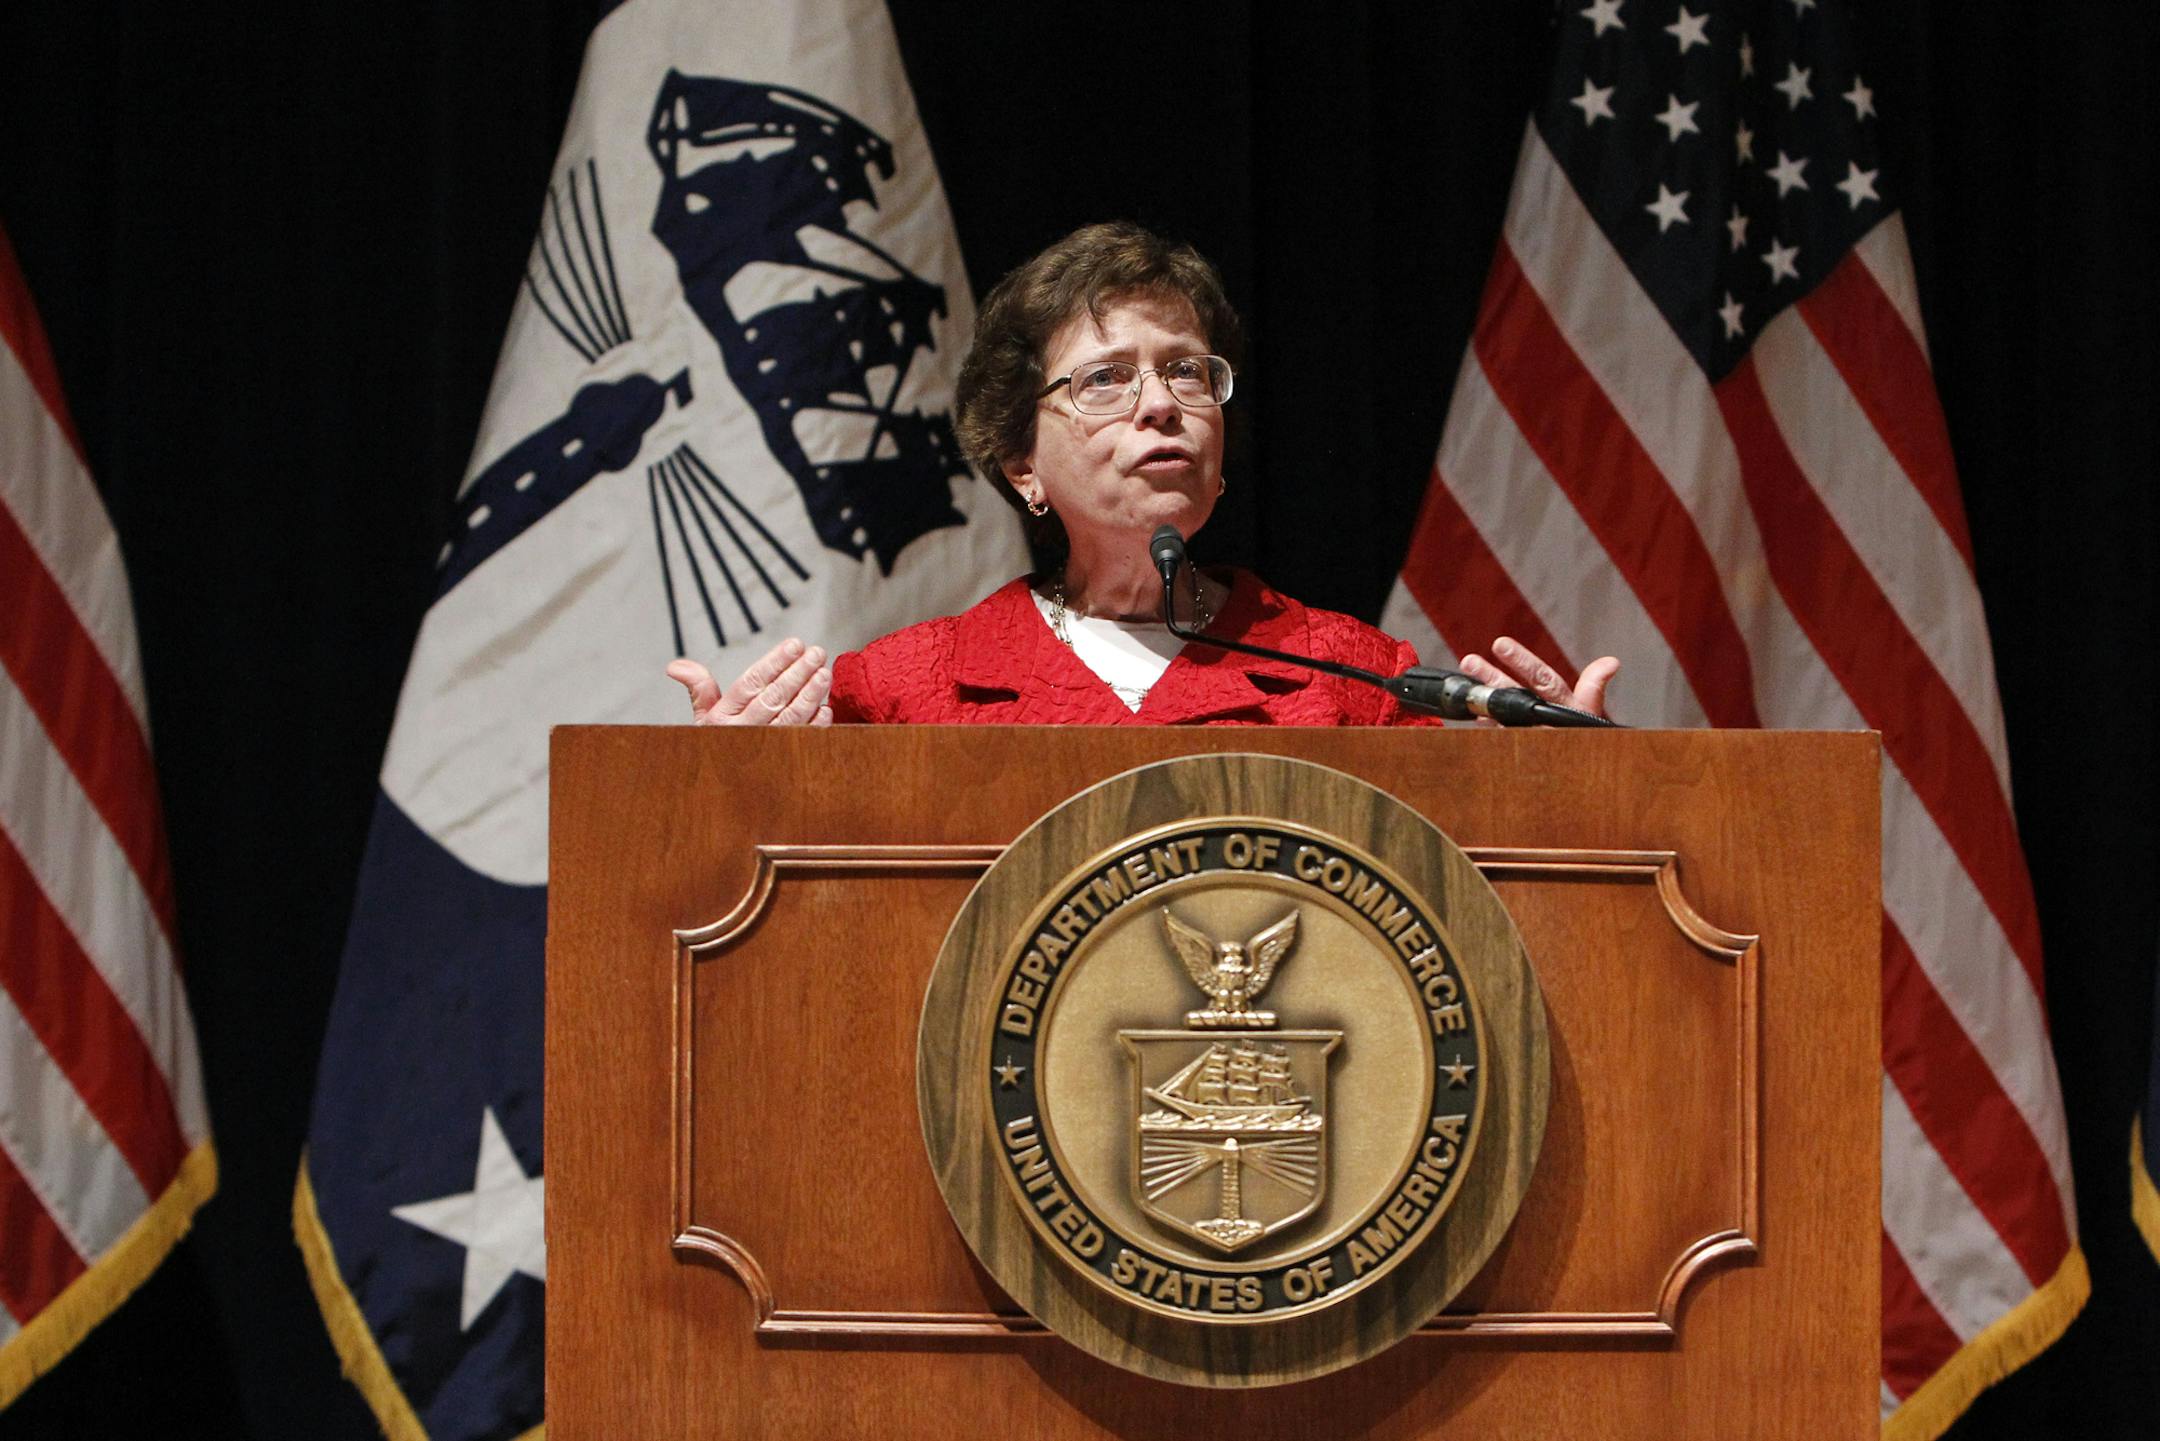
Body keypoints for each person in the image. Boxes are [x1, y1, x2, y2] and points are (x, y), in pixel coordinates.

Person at [666, 222, 1616, 726]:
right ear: (1022, 464)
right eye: (1107, 380)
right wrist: (731, 783)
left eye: (1187, 370)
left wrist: (1546, 789)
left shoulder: (1355, 681)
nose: (1161, 402)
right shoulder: (907, 693)